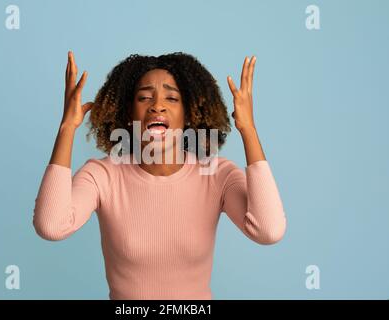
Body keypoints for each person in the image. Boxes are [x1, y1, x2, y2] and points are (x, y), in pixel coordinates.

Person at [33, 51, 287, 300]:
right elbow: (51, 226)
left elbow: (269, 230)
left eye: (172, 98)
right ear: (128, 112)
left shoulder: (217, 175)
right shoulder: (103, 175)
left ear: (189, 114)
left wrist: (248, 130)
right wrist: (67, 128)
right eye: (144, 98)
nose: (157, 106)